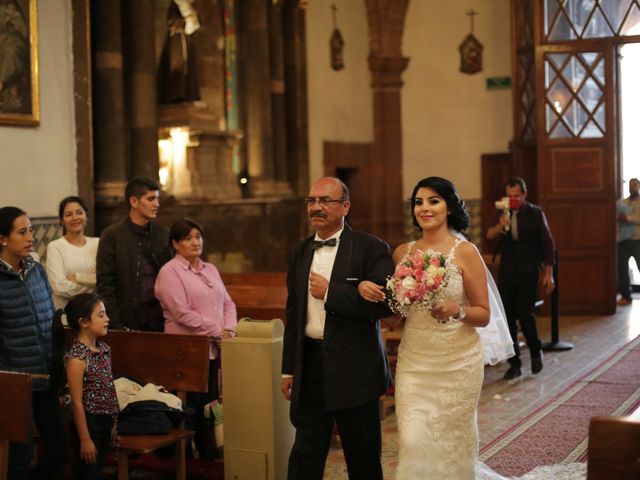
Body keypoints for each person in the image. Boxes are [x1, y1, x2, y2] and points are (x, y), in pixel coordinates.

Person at [358, 177, 514, 479]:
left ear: (449, 207)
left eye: (433, 201)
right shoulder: (401, 253)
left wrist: (457, 310)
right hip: (415, 361)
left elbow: (483, 314)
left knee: (451, 442)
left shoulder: (466, 251)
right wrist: (371, 293)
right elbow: (395, 317)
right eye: (419, 202)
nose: (424, 208)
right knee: (414, 439)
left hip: (458, 363)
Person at [280, 177, 394, 480]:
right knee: (305, 455)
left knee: (363, 459)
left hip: (355, 367)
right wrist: (288, 368)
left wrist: (332, 293)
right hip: (311, 367)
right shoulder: (300, 251)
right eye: (311, 201)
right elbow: (294, 313)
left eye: (325, 201)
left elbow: (386, 306)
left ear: (345, 206)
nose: (316, 207)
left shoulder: (371, 248)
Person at [154, 218, 237, 458]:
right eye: (188, 238)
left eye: (198, 237)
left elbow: (228, 303)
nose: (195, 242)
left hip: (212, 349)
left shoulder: (209, 269)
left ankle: (207, 454)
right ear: (176, 244)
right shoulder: (169, 272)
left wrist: (229, 330)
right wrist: (216, 329)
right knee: (188, 407)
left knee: (209, 406)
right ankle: (182, 461)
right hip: (185, 351)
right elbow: (181, 313)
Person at [0, 206, 69, 479]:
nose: (30, 236)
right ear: (2, 239)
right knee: (19, 456)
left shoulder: (36, 270)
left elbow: (49, 317)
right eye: (22, 232)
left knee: (60, 450)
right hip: (15, 382)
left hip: (46, 377)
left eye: (30, 229)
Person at [486, 177, 555, 380]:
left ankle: (536, 352)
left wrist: (549, 272)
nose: (514, 199)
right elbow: (489, 235)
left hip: (529, 269)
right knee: (507, 317)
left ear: (524, 195)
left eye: (517, 196)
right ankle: (514, 363)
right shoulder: (502, 212)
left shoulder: (535, 213)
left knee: (525, 314)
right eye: (510, 196)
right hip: (507, 270)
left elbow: (547, 243)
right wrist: (500, 225)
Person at [96, 176, 171, 331]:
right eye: (150, 199)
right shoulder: (112, 236)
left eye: (157, 199)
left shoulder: (163, 234)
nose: (156, 204)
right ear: (134, 202)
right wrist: (117, 324)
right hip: (126, 320)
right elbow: (106, 285)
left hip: (161, 319)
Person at [60, 293, 119, 480]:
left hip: (104, 422)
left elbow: (109, 389)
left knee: (98, 471)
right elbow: (76, 403)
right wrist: (85, 439)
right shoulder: (77, 358)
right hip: (88, 424)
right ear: (84, 322)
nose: (107, 319)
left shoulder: (104, 350)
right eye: (101, 315)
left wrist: (113, 422)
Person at [46, 196, 99, 309]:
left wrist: (78, 277)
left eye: (79, 212)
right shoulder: (55, 247)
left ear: (86, 216)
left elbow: (105, 278)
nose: (75, 218)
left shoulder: (97, 244)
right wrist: (94, 287)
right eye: (69, 214)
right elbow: (59, 287)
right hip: (66, 312)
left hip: (94, 312)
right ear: (61, 220)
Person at [616, 177, 640, 306]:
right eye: (631, 185)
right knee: (622, 270)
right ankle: (626, 296)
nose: (633, 188)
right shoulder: (622, 203)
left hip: (637, 240)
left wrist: (628, 218)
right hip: (623, 241)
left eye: (635, 185)